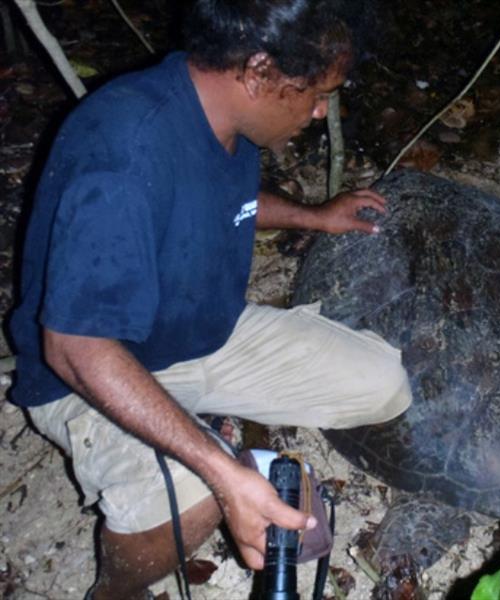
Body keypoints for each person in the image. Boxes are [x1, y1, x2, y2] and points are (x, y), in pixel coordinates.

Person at [8, 1, 412, 598]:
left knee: (384, 382)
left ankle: (197, 424)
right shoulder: (124, 152)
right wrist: (223, 470)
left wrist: (312, 216)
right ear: (258, 72)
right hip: (88, 372)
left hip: (201, 336)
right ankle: (114, 591)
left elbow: (225, 200)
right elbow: (72, 345)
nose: (322, 110)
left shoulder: (225, 114)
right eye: (314, 93)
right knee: (197, 495)